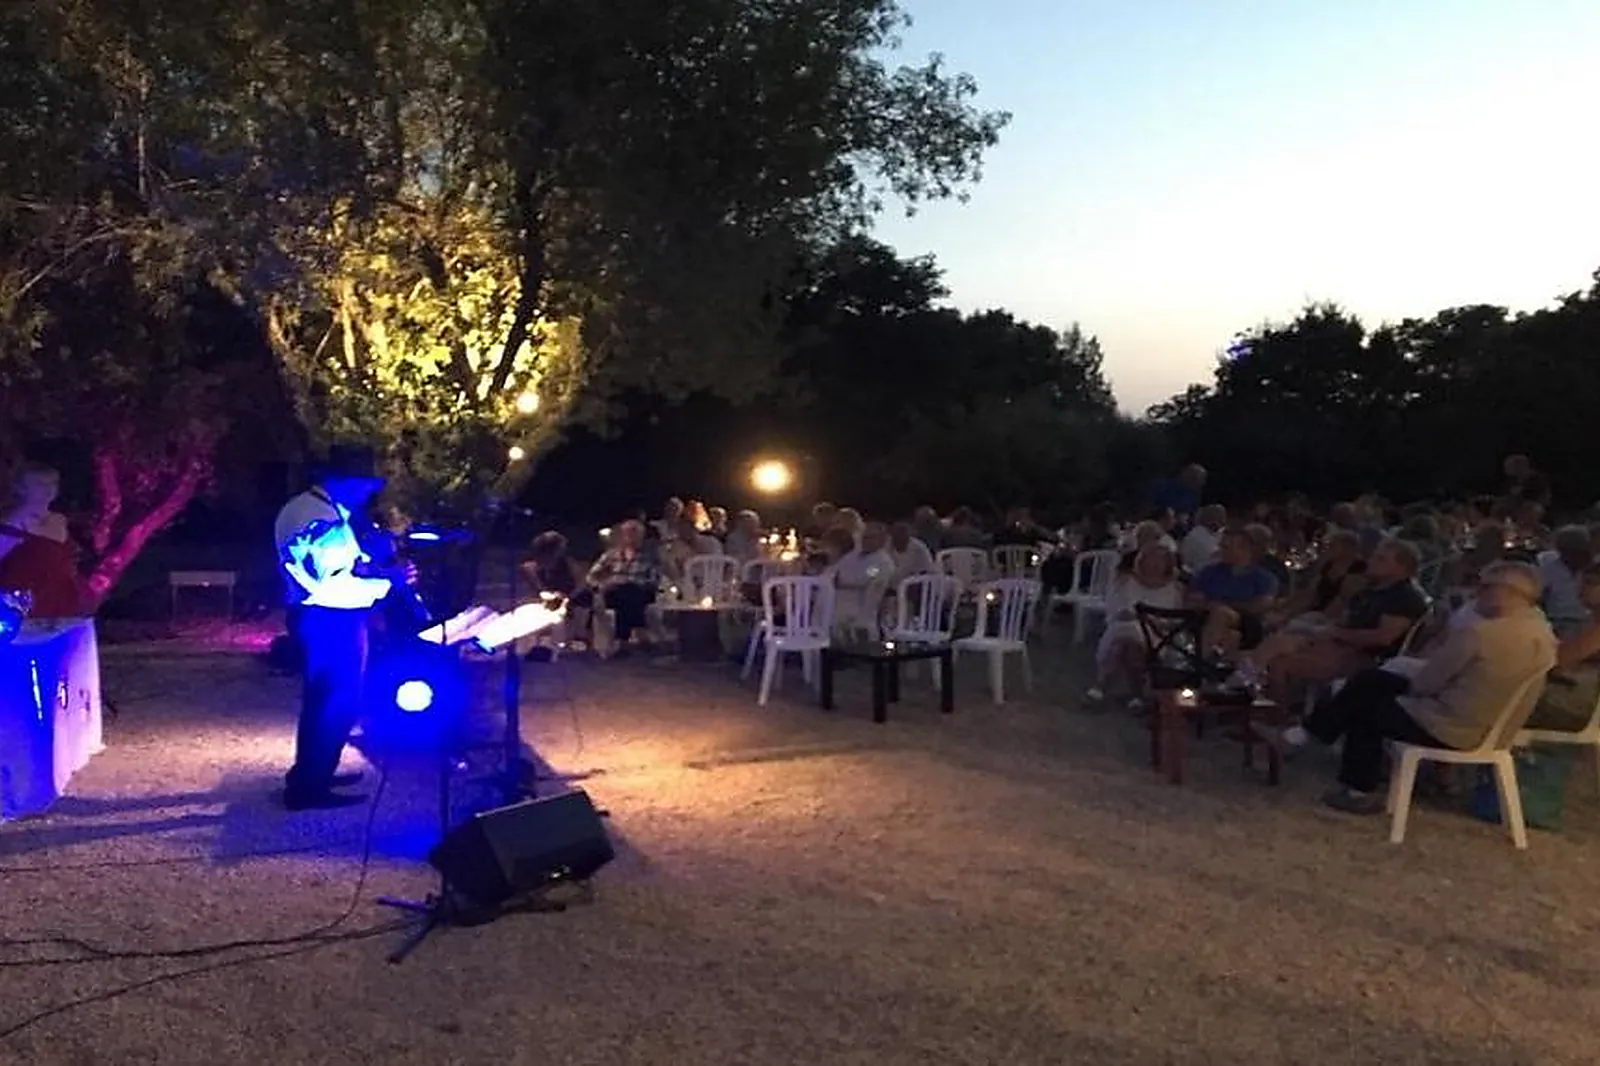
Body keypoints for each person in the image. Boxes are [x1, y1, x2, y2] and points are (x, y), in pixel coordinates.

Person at [1298, 562, 1556, 815]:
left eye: (1485, 586)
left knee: (1366, 708)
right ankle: (1314, 731)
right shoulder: (1541, 630)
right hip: (1492, 725)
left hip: (1450, 725)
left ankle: (1356, 789)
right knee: (1370, 680)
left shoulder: (1480, 633)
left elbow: (1425, 685)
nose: (1478, 593)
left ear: (1507, 591)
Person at [274, 445, 414, 811]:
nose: (368, 492)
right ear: (341, 480)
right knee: (335, 703)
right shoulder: (323, 519)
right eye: (362, 483)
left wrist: (376, 561)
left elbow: (343, 567)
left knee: (323, 701)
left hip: (322, 619)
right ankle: (309, 787)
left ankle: (313, 772)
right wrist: (391, 582)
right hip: (330, 620)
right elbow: (335, 585)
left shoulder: (311, 508)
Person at [1088, 543, 1183, 704]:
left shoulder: (1176, 588)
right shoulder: (1124, 581)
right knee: (1126, 639)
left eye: (1159, 560)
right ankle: (1135, 694)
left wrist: (1151, 622)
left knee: (1131, 642)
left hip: (1156, 633)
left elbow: (1176, 620)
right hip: (1124, 627)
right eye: (1150, 559)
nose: (1154, 564)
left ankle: (1102, 687)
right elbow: (1117, 612)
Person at [0, 462, 81, 618]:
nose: (48, 489)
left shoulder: (59, 520)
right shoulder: (13, 523)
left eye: (52, 483)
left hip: (62, 598)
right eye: (39, 484)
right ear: (22, 488)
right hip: (24, 603)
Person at [1187, 528, 1279, 653]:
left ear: (1244, 549)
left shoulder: (1264, 578)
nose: (1221, 550)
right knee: (1231, 636)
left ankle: (1201, 662)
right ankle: (1210, 664)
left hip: (1246, 622)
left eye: (1226, 547)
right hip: (1206, 618)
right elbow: (1194, 599)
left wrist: (1223, 605)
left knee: (1221, 613)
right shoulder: (1210, 572)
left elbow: (1261, 606)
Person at [586, 520, 659, 647]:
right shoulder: (610, 555)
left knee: (628, 592)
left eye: (635, 534)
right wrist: (601, 585)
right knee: (624, 595)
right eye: (628, 534)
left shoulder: (650, 556)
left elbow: (654, 581)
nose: (631, 538)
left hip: (641, 592)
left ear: (642, 536)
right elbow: (591, 576)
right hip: (613, 592)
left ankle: (621, 640)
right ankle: (640, 631)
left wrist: (630, 582)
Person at [1180, 504, 1226, 573]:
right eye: (1217, 518)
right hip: (1200, 573)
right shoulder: (1196, 535)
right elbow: (1212, 553)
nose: (1220, 522)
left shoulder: (1219, 533)